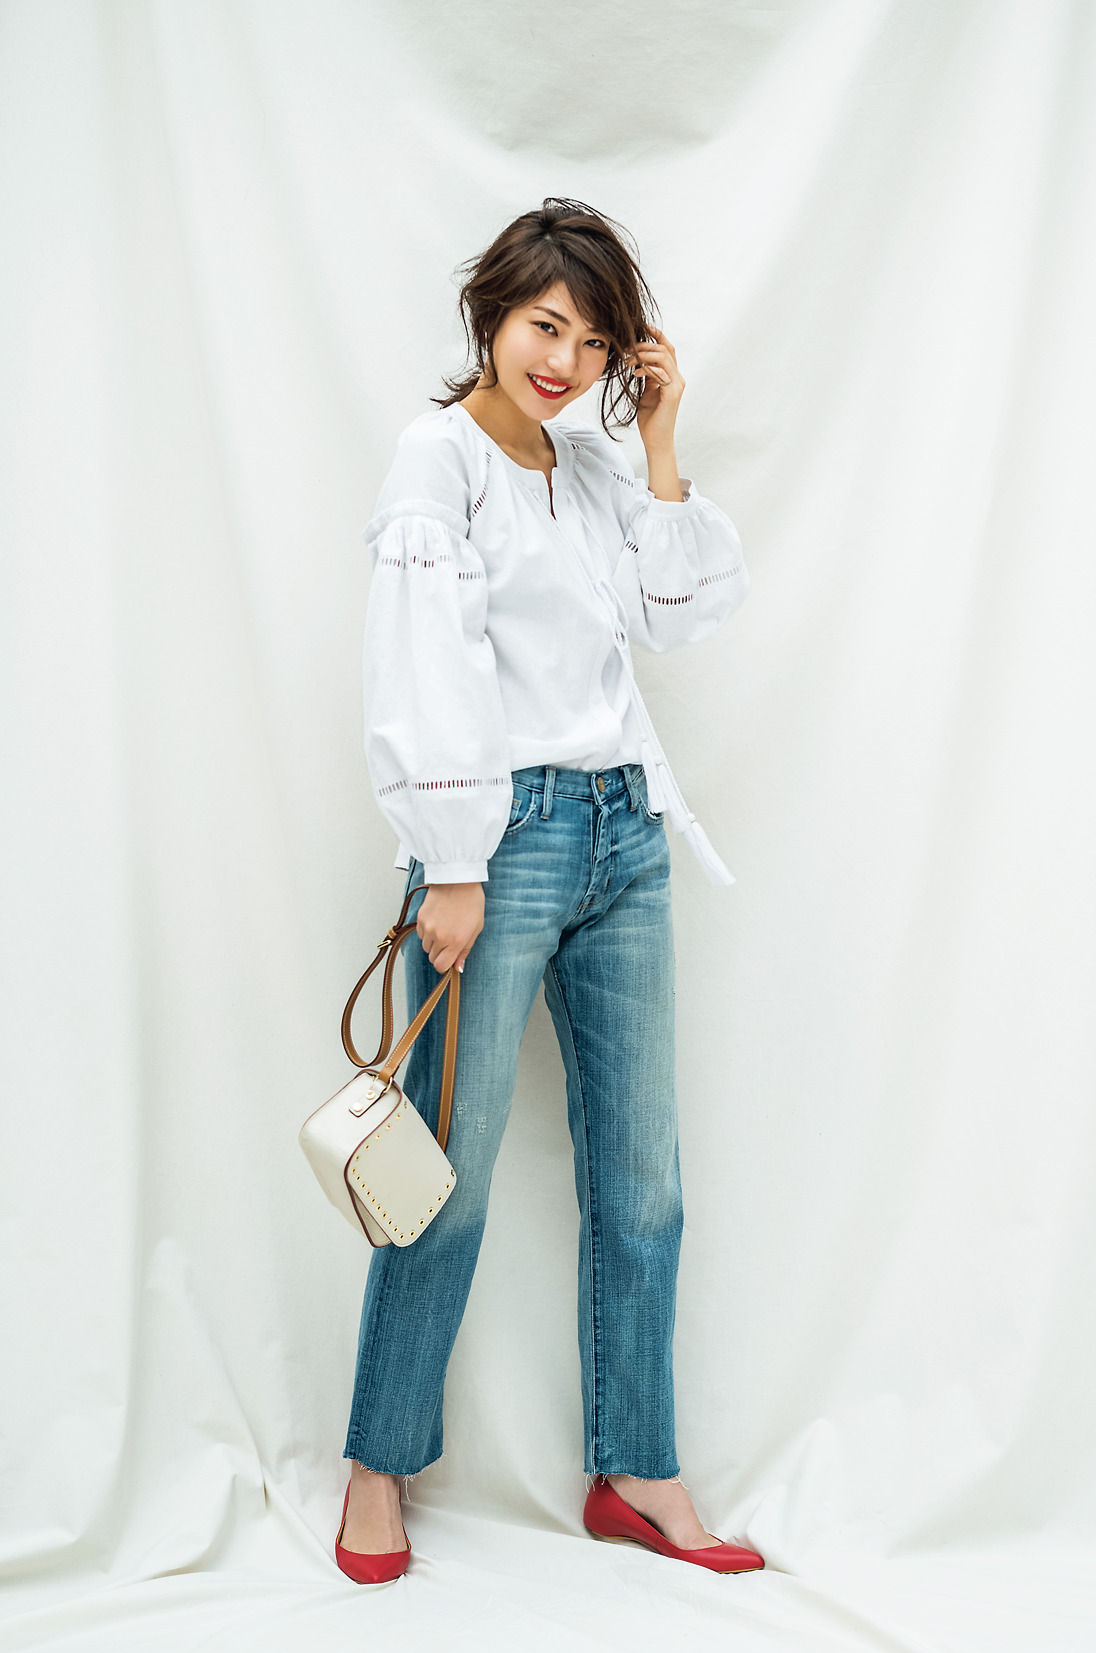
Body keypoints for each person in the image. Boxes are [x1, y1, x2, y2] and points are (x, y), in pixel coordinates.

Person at [334, 198, 762, 1585]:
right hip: (499, 843)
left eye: (591, 341)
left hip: (625, 834)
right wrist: (453, 864)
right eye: (543, 326)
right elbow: (422, 663)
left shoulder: (587, 464)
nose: (562, 361)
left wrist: (660, 437)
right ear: (492, 316)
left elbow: (677, 614)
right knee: (440, 1178)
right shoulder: (440, 460)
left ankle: (636, 1468)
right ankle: (378, 1464)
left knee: (644, 1179)